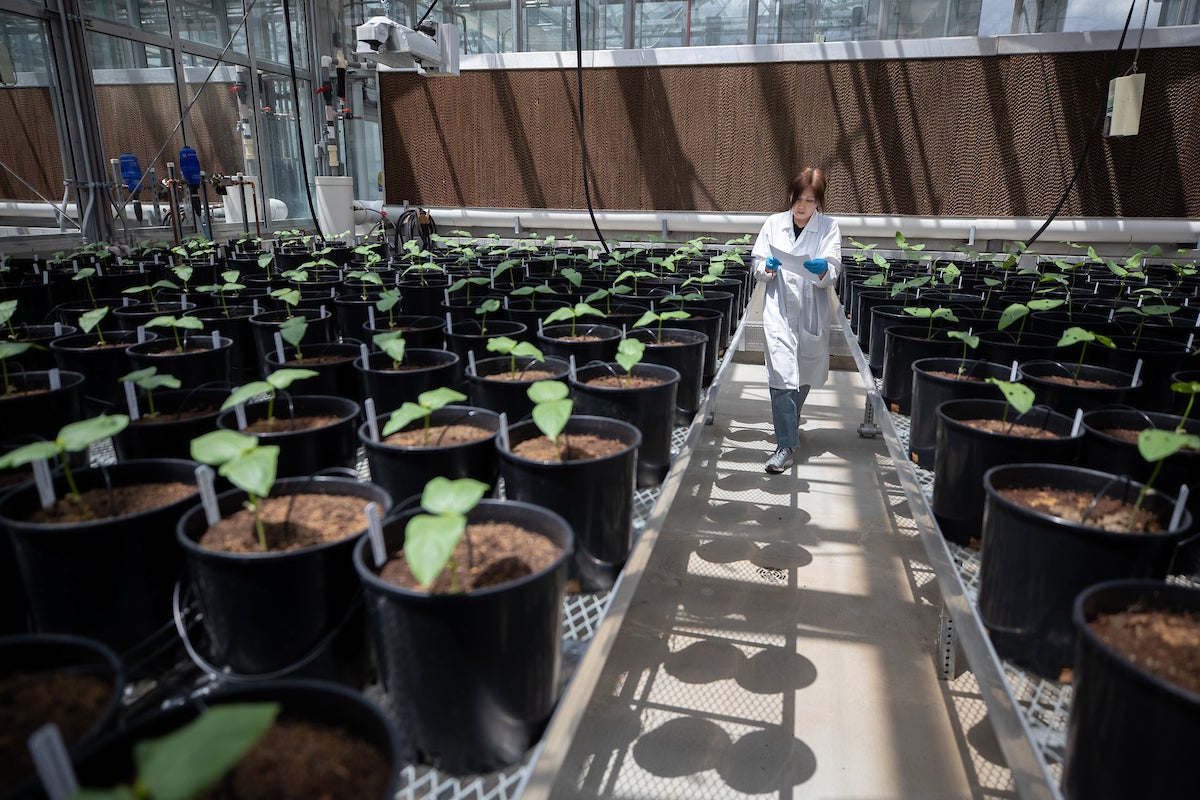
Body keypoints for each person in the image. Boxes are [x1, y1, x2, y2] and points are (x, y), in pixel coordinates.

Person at [751, 167, 842, 474]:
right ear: (789, 195)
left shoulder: (828, 228)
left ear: (819, 203)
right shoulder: (773, 224)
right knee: (780, 377)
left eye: (810, 200)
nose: (802, 206)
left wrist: (820, 270)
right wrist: (768, 267)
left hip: (810, 311)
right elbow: (757, 265)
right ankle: (785, 445)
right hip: (778, 311)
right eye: (798, 198)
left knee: (801, 374)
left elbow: (833, 270)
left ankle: (789, 421)